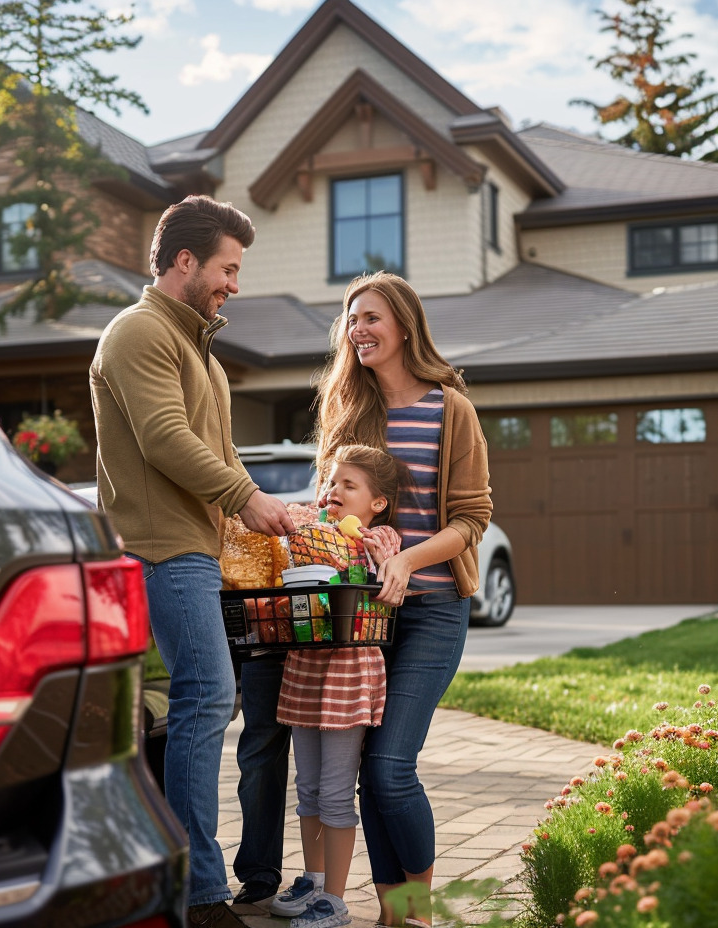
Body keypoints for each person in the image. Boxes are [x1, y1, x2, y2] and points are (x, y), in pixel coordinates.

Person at [90, 194, 296, 928]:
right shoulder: (141, 332)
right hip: (161, 546)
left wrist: (275, 511)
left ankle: (167, 874)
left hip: (195, 549)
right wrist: (245, 497)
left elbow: (220, 449)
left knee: (190, 706)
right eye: (227, 268)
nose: (234, 283)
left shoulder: (195, 346)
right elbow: (165, 441)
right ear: (185, 261)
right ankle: (198, 892)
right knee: (206, 697)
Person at [313, 271, 492, 927]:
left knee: (390, 767)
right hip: (364, 617)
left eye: (372, 317)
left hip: (434, 609)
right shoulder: (348, 413)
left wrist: (406, 560)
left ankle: (417, 907)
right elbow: (327, 513)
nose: (359, 329)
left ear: (405, 327)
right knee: (366, 769)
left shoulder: (451, 409)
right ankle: (393, 913)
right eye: (352, 318)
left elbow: (472, 518)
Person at [270, 444, 406, 928]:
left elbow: (386, 568)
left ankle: (336, 897)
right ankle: (312, 878)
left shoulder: (379, 537)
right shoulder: (310, 532)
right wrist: (307, 519)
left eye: (349, 485)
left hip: (348, 674)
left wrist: (362, 539)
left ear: (377, 503)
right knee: (306, 788)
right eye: (331, 482)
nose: (334, 492)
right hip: (306, 667)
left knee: (333, 792)